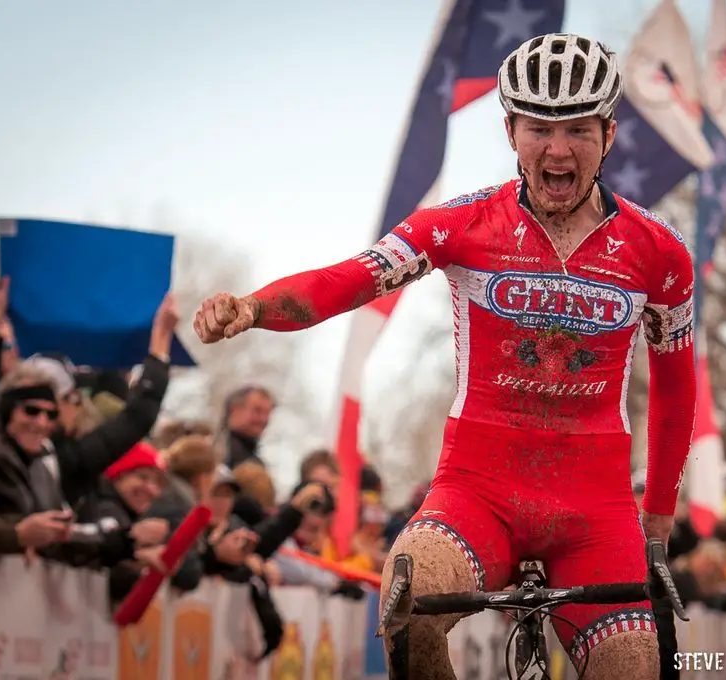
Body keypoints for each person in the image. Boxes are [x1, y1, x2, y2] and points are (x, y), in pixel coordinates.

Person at [193, 32, 695, 680]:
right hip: (479, 492)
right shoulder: (460, 224)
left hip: (595, 512)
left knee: (634, 668)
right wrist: (255, 308)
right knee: (408, 599)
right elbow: (350, 279)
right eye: (540, 128)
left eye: (578, 130)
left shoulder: (658, 252)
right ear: (511, 130)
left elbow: (678, 391)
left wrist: (656, 521)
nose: (559, 149)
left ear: (610, 132)